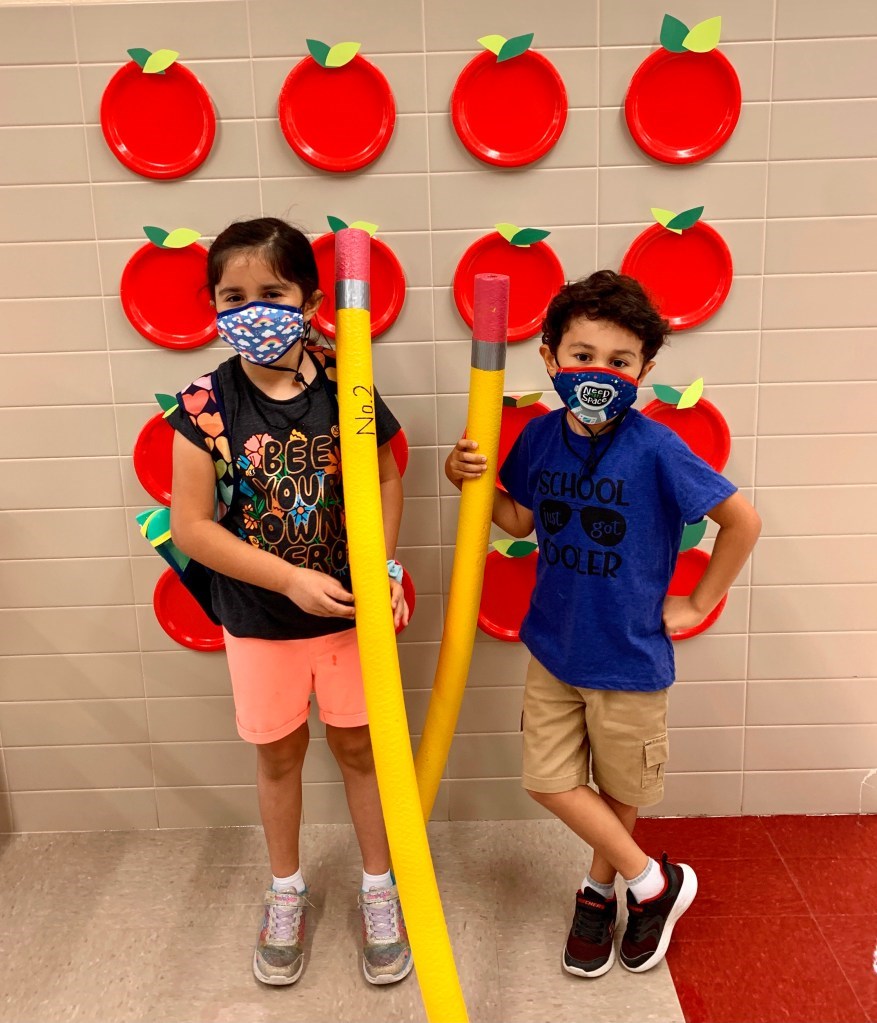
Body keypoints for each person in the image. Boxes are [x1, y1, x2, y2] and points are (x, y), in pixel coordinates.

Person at [446, 271, 761, 979]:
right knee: (548, 779)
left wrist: (697, 601)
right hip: (553, 648)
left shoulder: (656, 448)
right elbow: (520, 519)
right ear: (549, 357)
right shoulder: (535, 440)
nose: (598, 373)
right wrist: (468, 482)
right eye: (582, 355)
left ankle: (598, 891)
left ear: (645, 371)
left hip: (627, 657)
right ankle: (653, 881)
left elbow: (740, 520)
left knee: (618, 787)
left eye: (619, 363)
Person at [168, 217, 413, 988]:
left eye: (270, 292)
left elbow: (383, 479)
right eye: (232, 296)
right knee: (277, 757)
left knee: (360, 752)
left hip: (349, 620)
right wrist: (285, 578)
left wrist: (383, 570)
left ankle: (379, 890)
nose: (253, 309)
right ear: (213, 304)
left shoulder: (350, 385)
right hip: (259, 623)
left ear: (307, 297)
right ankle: (286, 892)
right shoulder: (205, 404)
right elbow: (192, 528)